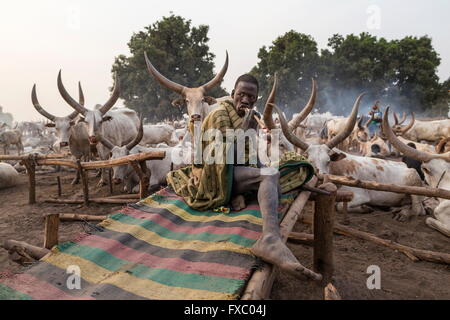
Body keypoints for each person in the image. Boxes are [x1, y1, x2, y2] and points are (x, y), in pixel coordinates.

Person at [166, 74, 320, 280]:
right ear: (232, 95)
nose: (245, 100)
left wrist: (264, 168)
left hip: (236, 170)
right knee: (268, 177)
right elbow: (220, 161)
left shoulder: (248, 117)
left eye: (251, 96)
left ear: (256, 99)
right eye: (241, 95)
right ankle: (269, 240)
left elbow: (251, 154)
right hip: (215, 177)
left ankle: (248, 197)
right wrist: (243, 132)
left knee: (281, 170)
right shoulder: (220, 115)